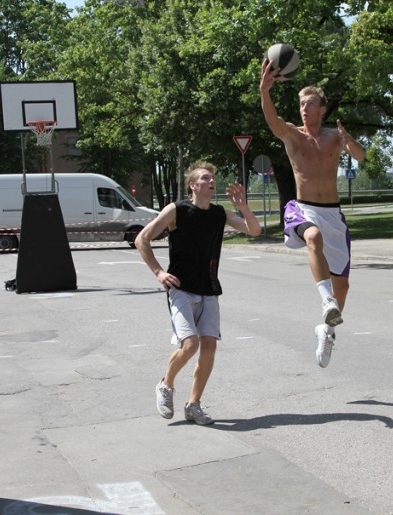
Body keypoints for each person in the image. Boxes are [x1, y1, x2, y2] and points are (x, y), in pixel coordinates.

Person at [135, 162, 261, 425]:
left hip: (209, 290)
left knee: (209, 347)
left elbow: (254, 230)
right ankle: (166, 385)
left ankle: (194, 405)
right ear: (193, 185)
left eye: (213, 178)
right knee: (190, 344)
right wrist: (159, 272)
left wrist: (243, 206)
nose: (211, 181)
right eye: (205, 178)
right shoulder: (176, 210)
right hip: (181, 289)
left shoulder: (219, 214)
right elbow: (142, 239)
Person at [260, 58, 365, 368]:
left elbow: (361, 156)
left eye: (311, 104)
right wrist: (264, 91)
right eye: (302, 104)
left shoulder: (334, 136)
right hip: (303, 208)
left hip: (333, 213)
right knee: (313, 238)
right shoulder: (293, 135)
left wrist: (350, 141)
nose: (305, 109)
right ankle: (326, 300)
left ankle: (327, 330)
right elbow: (273, 121)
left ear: (322, 108)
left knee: (343, 284)